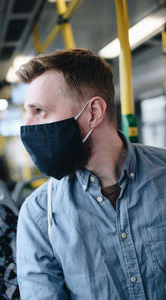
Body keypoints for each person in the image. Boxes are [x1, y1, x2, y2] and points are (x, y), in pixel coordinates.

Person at [16, 48, 166, 300]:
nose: (28, 126)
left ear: (93, 112)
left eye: (39, 111)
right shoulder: (41, 214)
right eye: (27, 113)